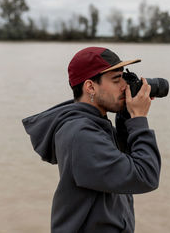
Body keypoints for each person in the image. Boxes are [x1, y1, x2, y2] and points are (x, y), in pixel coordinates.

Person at [22, 47, 161, 233]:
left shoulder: (94, 125)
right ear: (90, 87)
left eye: (124, 77)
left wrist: (125, 116)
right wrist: (138, 119)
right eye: (116, 79)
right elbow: (145, 176)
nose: (124, 86)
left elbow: (126, 165)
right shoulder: (81, 134)